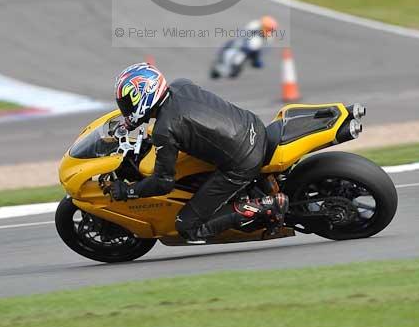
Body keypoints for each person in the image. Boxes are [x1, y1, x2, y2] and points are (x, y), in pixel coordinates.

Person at [110, 62, 289, 243]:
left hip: (243, 161)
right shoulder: (181, 85)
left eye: (127, 103)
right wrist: (132, 123)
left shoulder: (164, 131)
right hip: (253, 126)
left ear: (142, 96)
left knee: (187, 226)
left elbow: (163, 183)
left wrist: (129, 190)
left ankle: (267, 205)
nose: (125, 108)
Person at [211, 14, 279, 78]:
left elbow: (266, 49)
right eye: (267, 28)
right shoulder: (255, 24)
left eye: (270, 29)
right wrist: (241, 39)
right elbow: (243, 32)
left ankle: (251, 62)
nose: (268, 30)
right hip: (245, 42)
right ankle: (220, 56)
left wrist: (258, 57)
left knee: (258, 61)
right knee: (230, 42)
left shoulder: (269, 36)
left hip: (254, 48)